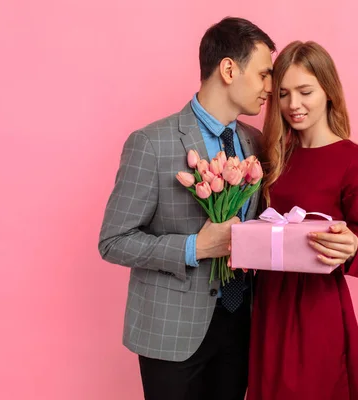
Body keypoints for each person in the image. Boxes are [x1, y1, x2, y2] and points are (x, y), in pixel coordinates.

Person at [98, 17, 275, 400]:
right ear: (229, 69)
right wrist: (195, 247)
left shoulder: (256, 143)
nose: (269, 88)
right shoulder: (151, 143)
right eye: (264, 74)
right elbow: (113, 241)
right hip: (171, 331)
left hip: (240, 324)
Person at [246, 41, 358, 400]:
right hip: (268, 304)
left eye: (305, 91)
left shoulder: (357, 161)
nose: (293, 105)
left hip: (318, 308)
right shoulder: (270, 158)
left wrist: (352, 247)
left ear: (329, 91)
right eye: (284, 94)